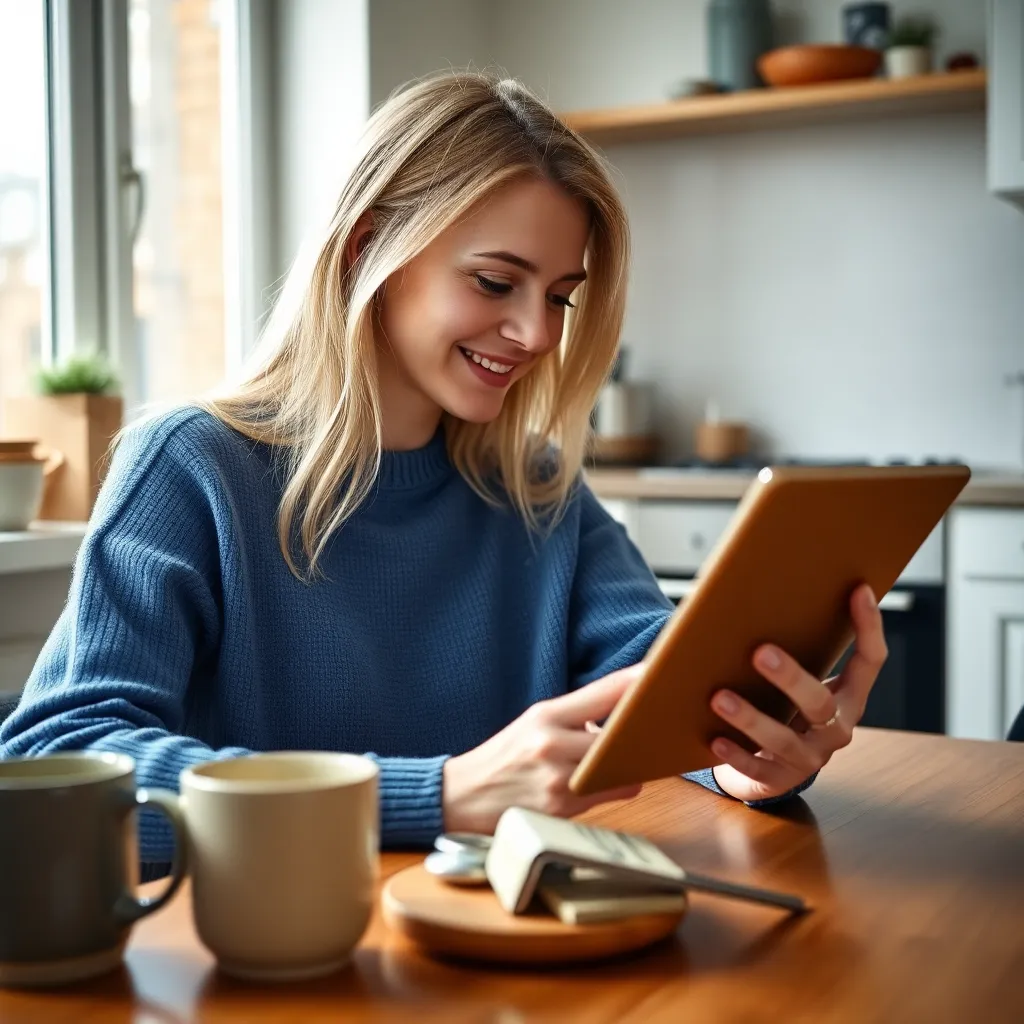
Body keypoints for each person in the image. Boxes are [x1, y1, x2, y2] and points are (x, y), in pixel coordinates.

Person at [0, 72, 887, 873]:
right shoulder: (192, 468)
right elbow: (55, 763)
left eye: (559, 296)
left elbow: (657, 684)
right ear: (366, 253)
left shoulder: (535, 491)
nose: (538, 335)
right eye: (497, 282)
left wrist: (751, 760)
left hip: (490, 972)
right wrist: (440, 793)